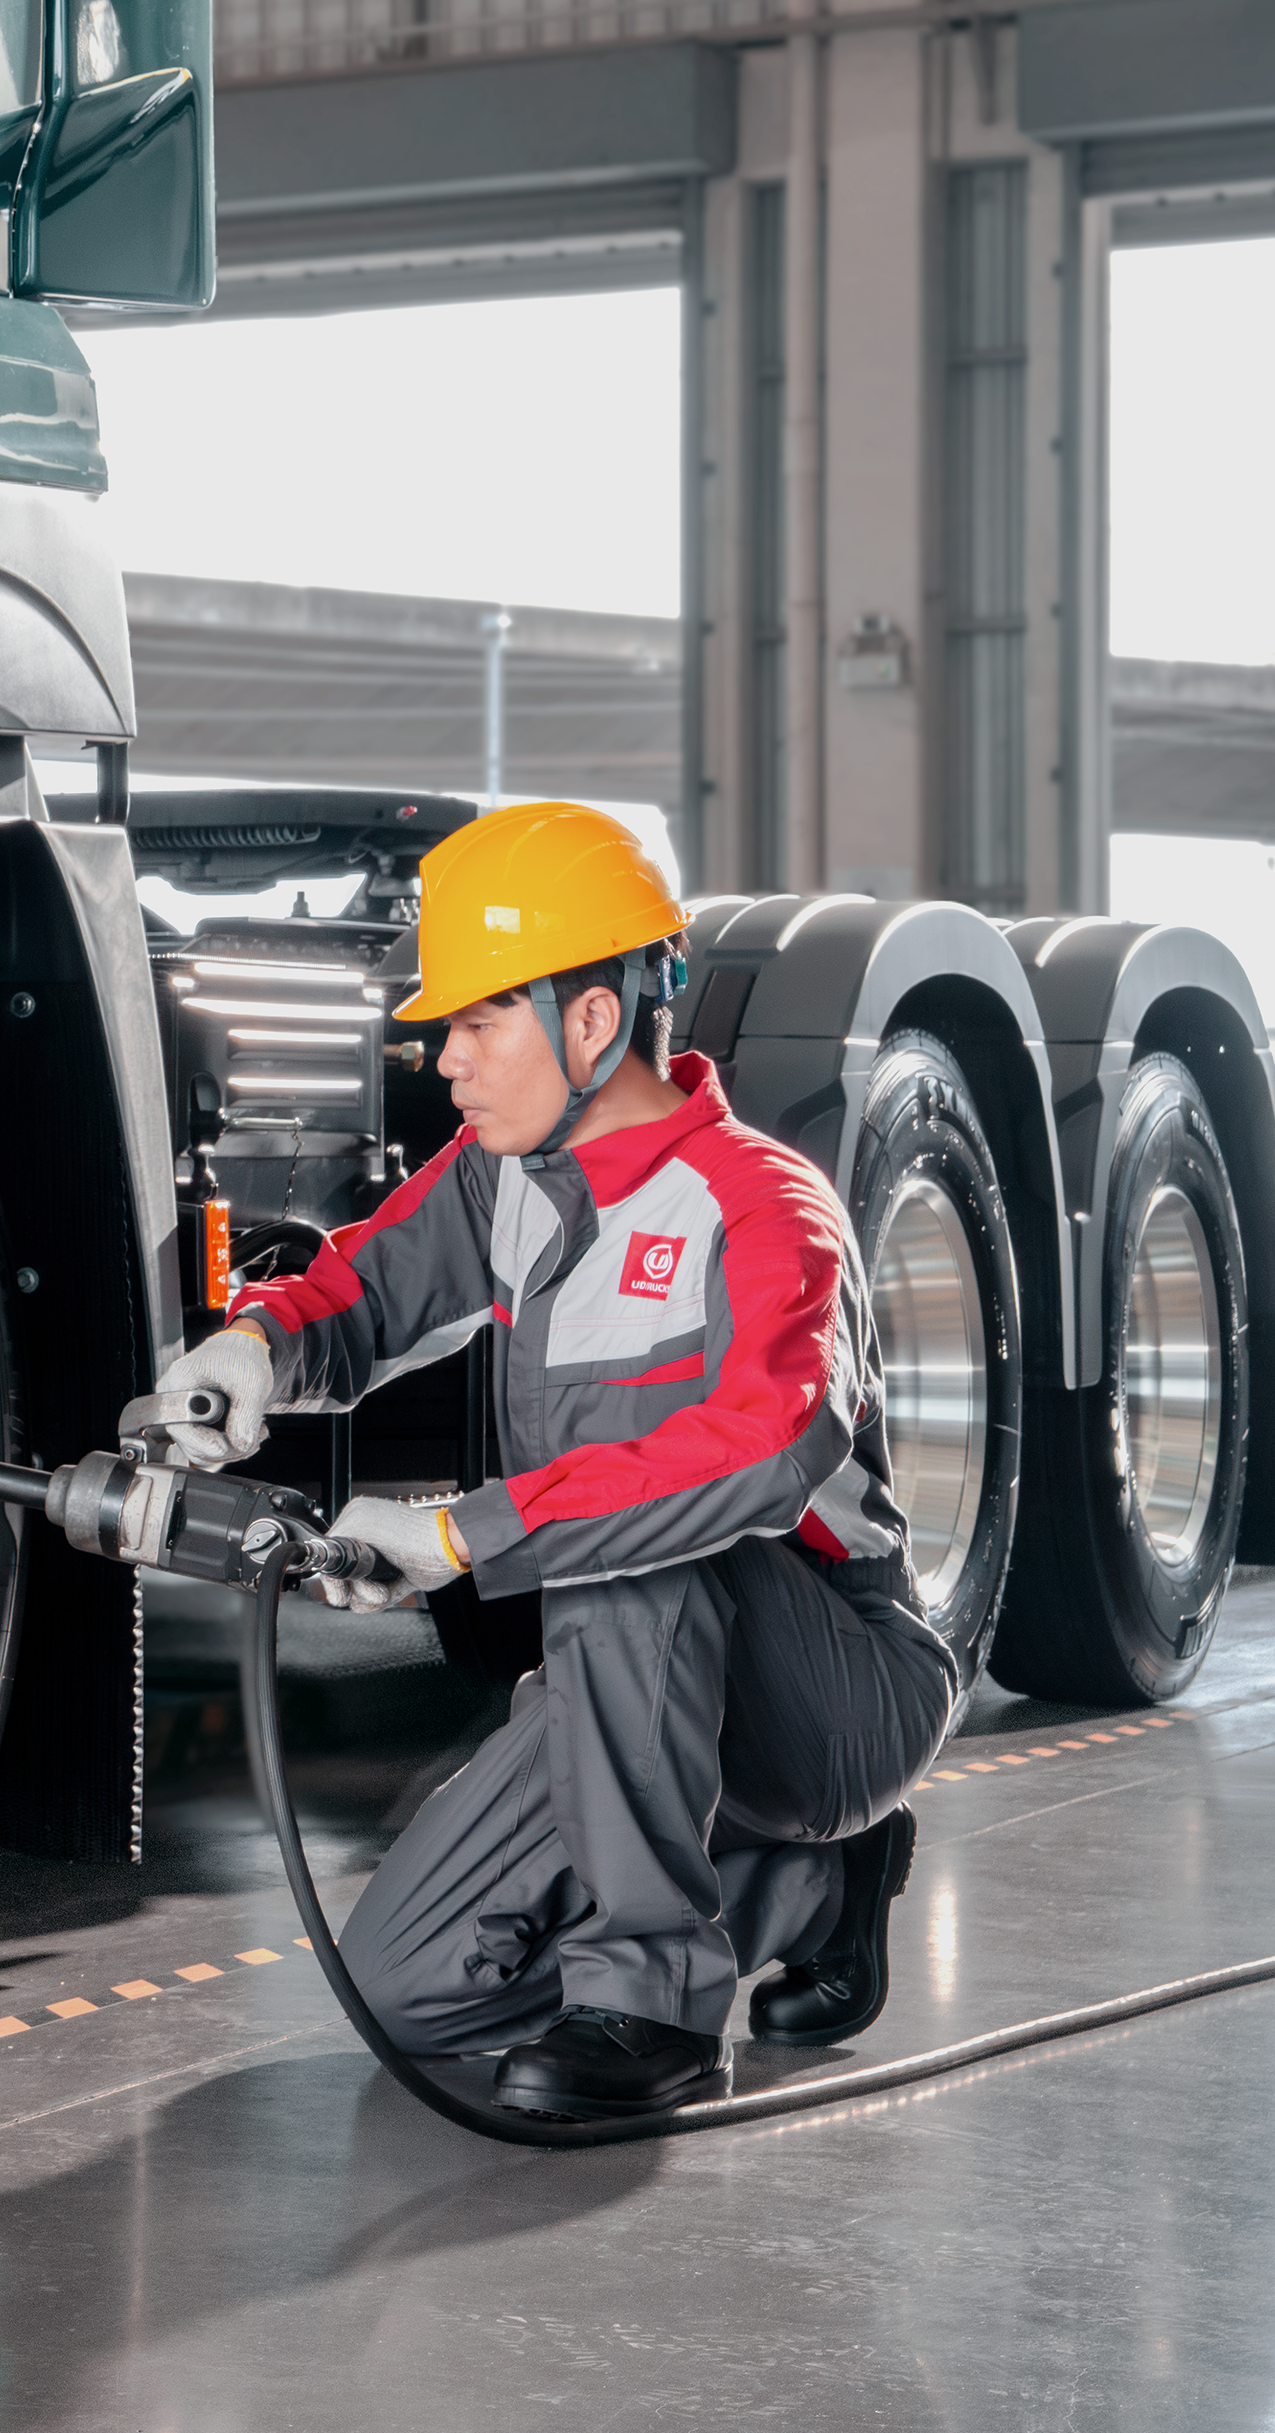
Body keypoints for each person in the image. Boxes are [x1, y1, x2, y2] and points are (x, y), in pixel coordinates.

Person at [138, 801, 959, 2119]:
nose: (443, 1056)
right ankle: (810, 1883)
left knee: (639, 1546)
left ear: (589, 1021)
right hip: (624, 1662)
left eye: (475, 1022)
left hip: (831, 1683)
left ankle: (649, 2005)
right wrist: (255, 1352)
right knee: (410, 1989)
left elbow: (752, 1453)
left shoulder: (761, 1209)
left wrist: (461, 1533)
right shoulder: (497, 1179)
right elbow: (366, 1291)